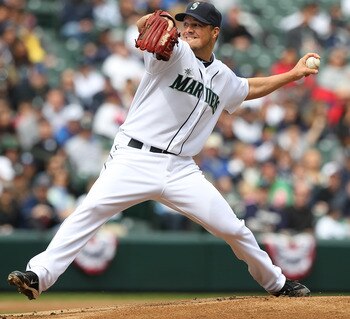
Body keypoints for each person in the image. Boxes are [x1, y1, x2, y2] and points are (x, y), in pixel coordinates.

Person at [7, 2, 318, 300]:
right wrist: (164, 20)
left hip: (182, 170)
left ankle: (277, 283)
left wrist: (293, 74)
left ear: (216, 33)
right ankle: (39, 275)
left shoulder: (223, 76)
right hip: (135, 158)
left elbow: (249, 88)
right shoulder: (173, 52)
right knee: (89, 213)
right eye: (188, 24)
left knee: (234, 229)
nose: (190, 29)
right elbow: (146, 26)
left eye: (199, 25)